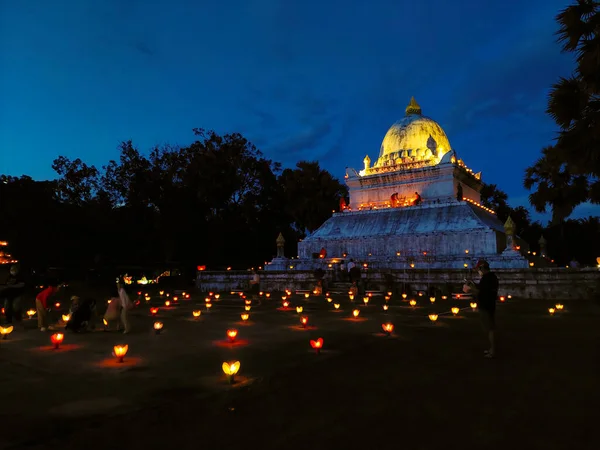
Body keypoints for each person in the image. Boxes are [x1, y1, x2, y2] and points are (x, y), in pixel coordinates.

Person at [464, 259, 499, 358]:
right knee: (489, 328)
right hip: (489, 305)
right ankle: (491, 348)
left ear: (482, 268)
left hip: (486, 305)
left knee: (490, 328)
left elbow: (482, 292)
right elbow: (482, 288)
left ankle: (493, 350)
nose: (478, 271)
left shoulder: (487, 278)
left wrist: (471, 289)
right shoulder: (491, 277)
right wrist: (473, 285)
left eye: (479, 269)